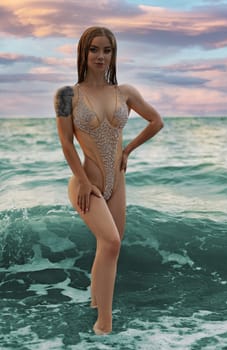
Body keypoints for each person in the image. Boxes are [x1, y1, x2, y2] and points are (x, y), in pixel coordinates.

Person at [54, 26, 163, 335]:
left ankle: (93, 304)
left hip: (118, 183)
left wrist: (128, 149)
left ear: (114, 55)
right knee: (111, 242)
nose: (100, 56)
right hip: (86, 181)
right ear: (83, 53)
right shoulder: (66, 95)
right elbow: (66, 143)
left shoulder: (125, 92)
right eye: (94, 50)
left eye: (107, 50)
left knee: (110, 247)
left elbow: (157, 121)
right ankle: (104, 323)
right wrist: (83, 183)